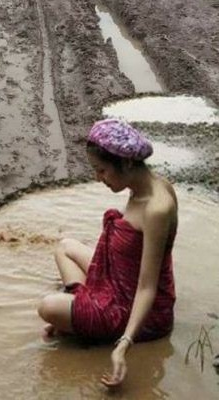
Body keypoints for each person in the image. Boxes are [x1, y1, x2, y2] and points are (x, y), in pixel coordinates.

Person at [37, 118, 178, 388]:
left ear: (125, 163)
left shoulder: (157, 208)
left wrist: (123, 346)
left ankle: (79, 320)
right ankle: (80, 313)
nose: (98, 178)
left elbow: (148, 286)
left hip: (134, 306)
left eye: (102, 170)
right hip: (116, 278)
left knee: (47, 306)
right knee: (65, 247)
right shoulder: (144, 186)